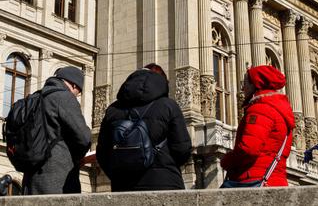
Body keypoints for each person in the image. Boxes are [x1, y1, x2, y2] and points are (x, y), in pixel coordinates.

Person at [97, 63, 192, 191]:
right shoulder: (168, 105)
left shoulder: (113, 110)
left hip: (123, 186)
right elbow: (182, 148)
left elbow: (102, 153)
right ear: (161, 82)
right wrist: (166, 165)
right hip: (164, 183)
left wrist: (118, 174)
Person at [220, 65, 294, 187]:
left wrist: (227, 161)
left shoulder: (260, 109)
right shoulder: (279, 109)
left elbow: (249, 148)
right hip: (274, 179)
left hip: (253, 179)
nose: (243, 88)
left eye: (245, 83)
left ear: (255, 84)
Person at [23, 66, 91, 195]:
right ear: (74, 85)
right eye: (79, 92)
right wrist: (79, 157)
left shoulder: (35, 97)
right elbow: (84, 137)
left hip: (31, 173)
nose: (77, 95)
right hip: (58, 175)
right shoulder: (64, 97)